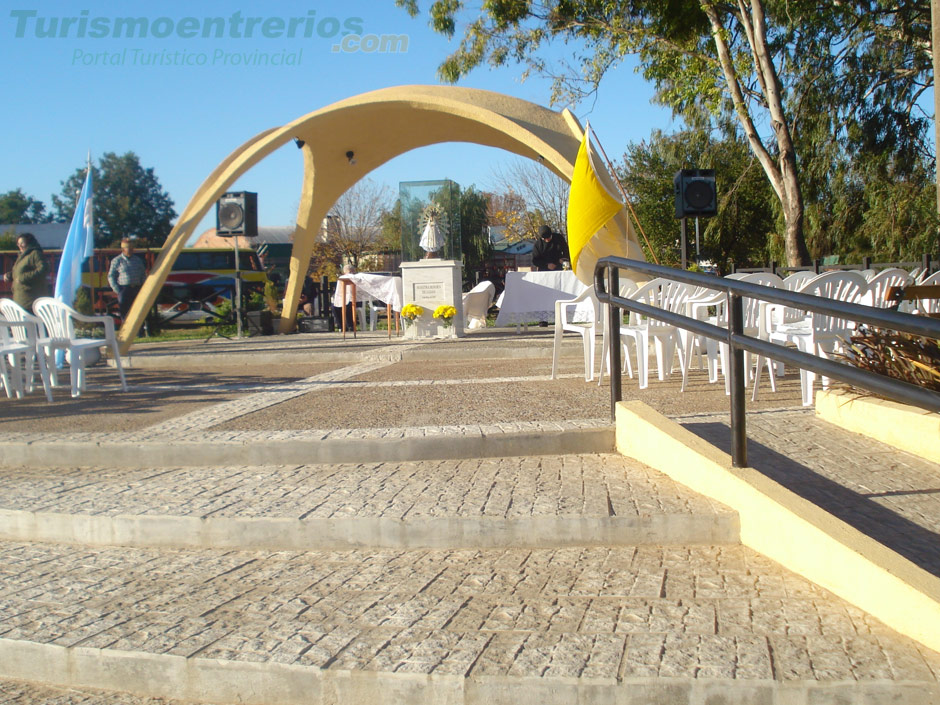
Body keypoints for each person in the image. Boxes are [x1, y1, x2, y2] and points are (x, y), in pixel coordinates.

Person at [3, 232, 49, 311]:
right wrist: (10, 275)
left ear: (29, 243)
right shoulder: (22, 256)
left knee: (31, 322)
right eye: (18, 243)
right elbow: (19, 272)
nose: (19, 246)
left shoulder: (35, 254)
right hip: (20, 300)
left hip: (31, 300)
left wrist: (22, 278)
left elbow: (43, 269)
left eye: (22, 243)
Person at [107, 238, 147, 320]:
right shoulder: (117, 260)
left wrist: (143, 286)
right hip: (124, 289)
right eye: (129, 249)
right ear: (123, 249)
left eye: (132, 248)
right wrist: (117, 289)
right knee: (124, 311)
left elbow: (143, 274)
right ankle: (126, 330)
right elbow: (111, 276)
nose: (131, 250)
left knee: (138, 311)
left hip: (137, 288)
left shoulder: (138, 260)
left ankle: (140, 331)